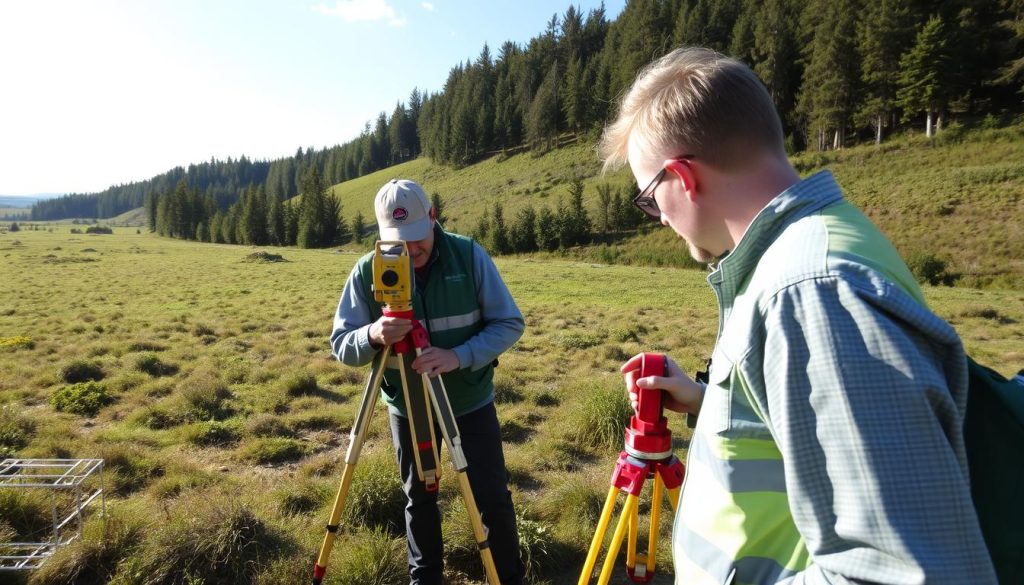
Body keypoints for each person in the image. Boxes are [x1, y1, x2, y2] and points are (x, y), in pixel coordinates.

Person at [602, 48, 997, 584]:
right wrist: (708, 399)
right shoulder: (810, 250)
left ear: (683, 177)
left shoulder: (810, 291)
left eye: (650, 198)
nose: (660, 218)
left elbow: (904, 571)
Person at [330, 178, 525, 585]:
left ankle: (506, 578)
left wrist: (458, 356)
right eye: (399, 240)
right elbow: (342, 346)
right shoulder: (368, 269)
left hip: (468, 401)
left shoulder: (469, 255)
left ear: (433, 218)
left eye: (417, 237)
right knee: (419, 498)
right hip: (409, 408)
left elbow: (509, 322)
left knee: (492, 497)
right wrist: (372, 335)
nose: (411, 249)